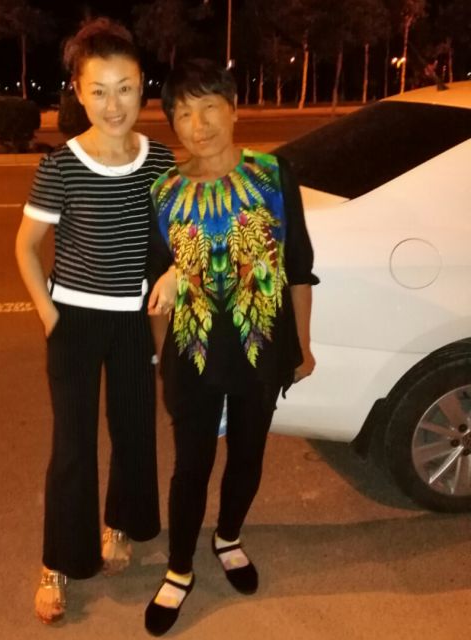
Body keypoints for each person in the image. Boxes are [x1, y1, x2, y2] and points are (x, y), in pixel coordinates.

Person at [144, 59, 318, 636]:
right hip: (192, 351)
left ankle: (228, 537)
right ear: (172, 122)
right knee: (190, 465)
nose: (199, 125)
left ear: (235, 109)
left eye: (209, 108)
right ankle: (179, 568)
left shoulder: (273, 174)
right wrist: (162, 357)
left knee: (248, 454)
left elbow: (299, 265)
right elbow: (155, 287)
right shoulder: (164, 191)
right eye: (183, 114)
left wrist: (303, 345)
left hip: (261, 346)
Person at [15, 17, 175, 624]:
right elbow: (26, 247)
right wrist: (50, 315)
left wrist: (174, 273)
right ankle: (57, 562)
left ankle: (121, 526)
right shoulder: (62, 166)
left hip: (134, 322)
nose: (114, 104)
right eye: (99, 90)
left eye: (125, 88)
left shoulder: (160, 161)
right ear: (78, 93)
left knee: (134, 432)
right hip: (76, 323)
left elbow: (174, 238)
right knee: (73, 446)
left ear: (142, 86)